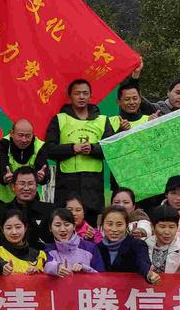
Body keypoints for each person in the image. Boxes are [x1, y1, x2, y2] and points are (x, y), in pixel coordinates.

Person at [45, 78, 126, 219]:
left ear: (90, 96)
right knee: (66, 224)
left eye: (85, 93)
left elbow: (111, 148)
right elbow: (50, 149)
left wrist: (93, 149)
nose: (81, 97)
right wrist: (72, 148)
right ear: (70, 96)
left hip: (93, 187)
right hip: (67, 186)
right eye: (77, 93)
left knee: (91, 227)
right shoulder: (59, 119)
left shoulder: (102, 120)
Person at [0, 118, 50, 211]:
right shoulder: (4, 144)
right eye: (20, 135)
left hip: (29, 199)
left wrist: (42, 177)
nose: (24, 140)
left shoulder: (39, 146)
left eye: (28, 136)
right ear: (11, 133)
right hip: (2, 199)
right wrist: (4, 177)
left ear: (33, 135)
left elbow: (44, 171)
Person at [6, 167, 53, 245]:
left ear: (36, 186)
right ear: (13, 187)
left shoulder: (49, 211)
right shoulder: (1, 212)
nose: (26, 188)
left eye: (30, 183)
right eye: (22, 184)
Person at [0, 209, 48, 275]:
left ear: (25, 228)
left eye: (18, 227)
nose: (14, 232)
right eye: (9, 228)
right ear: (2, 230)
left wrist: (37, 273)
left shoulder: (40, 256)